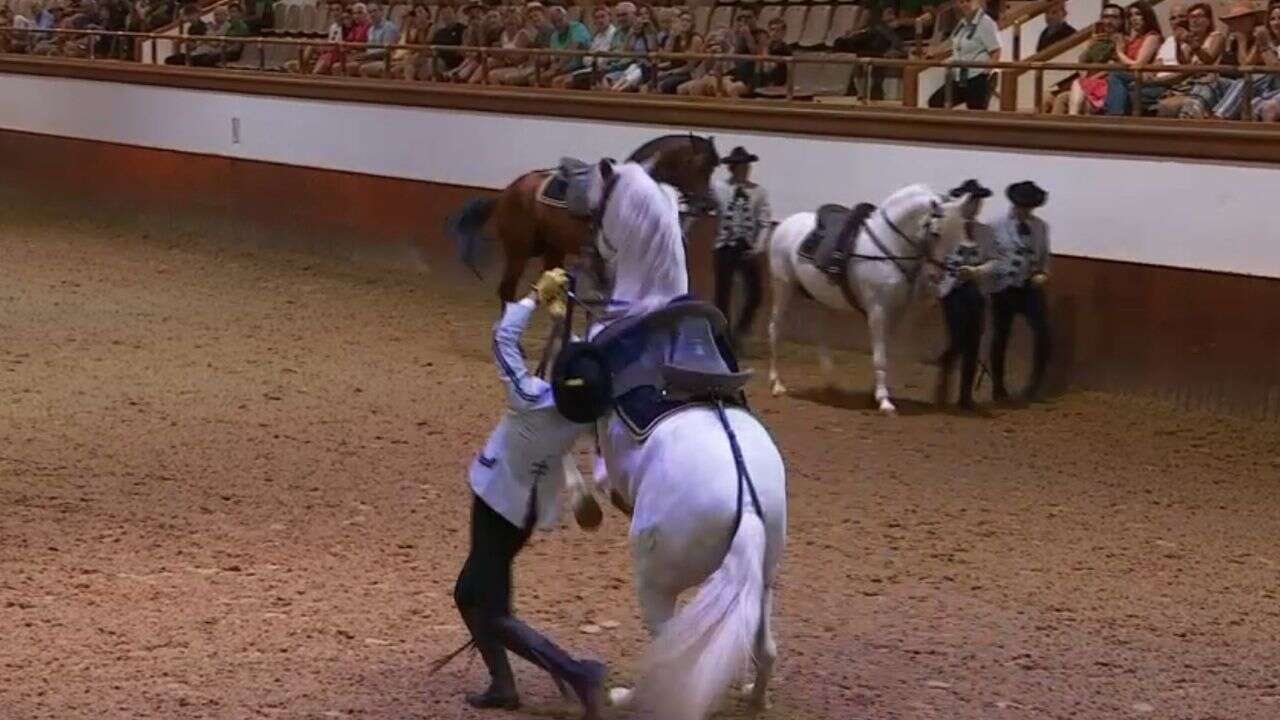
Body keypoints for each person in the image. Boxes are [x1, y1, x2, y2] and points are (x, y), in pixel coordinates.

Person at [454, 269, 606, 714]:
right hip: (529, 511)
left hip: (494, 501)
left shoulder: (528, 397)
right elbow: (586, 372)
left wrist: (534, 298)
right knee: (472, 595)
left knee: (486, 605)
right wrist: (566, 324)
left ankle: (577, 672)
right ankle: (503, 684)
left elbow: (503, 339)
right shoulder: (586, 416)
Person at [988, 181, 1052, 403]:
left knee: (1044, 333)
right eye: (1022, 206)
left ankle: (1036, 385)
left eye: (1030, 207)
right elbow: (987, 258)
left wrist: (1043, 273)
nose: (1026, 211)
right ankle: (998, 386)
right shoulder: (994, 226)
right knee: (1001, 336)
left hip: (1028, 287)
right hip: (1003, 288)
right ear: (1014, 205)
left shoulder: (1041, 227)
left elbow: (1045, 257)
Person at [934, 179, 995, 410]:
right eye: (971, 201)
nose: (975, 206)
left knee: (973, 342)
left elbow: (995, 261)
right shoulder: (947, 229)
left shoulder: (985, 232)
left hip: (975, 290)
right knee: (959, 338)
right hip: (951, 290)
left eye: (978, 201)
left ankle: (964, 396)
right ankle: (946, 369)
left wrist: (977, 271)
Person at [712, 147, 771, 349]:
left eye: (747, 166)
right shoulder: (718, 188)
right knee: (723, 294)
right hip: (724, 245)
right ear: (732, 168)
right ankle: (723, 336)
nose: (745, 170)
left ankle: (741, 330)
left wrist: (759, 246)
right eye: (741, 166)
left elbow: (764, 221)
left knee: (756, 293)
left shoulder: (758, 193)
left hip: (747, 247)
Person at [927, 0, 1001, 110]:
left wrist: (985, 73)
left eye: (968, 1)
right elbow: (951, 42)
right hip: (960, 76)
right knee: (935, 102)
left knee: (976, 115)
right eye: (961, 2)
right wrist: (933, 51)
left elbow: (996, 51)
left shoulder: (986, 22)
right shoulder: (963, 22)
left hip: (977, 76)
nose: (965, 5)